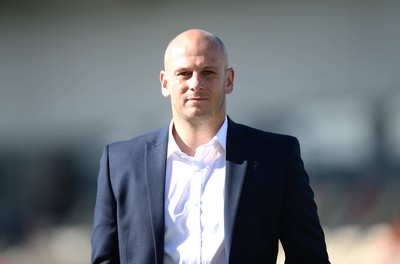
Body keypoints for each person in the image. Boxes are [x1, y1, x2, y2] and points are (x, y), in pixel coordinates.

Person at [91, 28, 330, 264]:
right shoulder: (120, 163)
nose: (196, 83)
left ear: (229, 80)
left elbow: (309, 257)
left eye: (208, 72)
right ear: (165, 83)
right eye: (184, 73)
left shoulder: (275, 157)